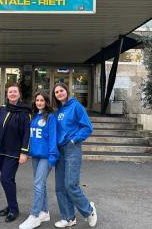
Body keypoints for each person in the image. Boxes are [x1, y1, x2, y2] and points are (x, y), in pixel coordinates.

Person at [52, 82, 98, 228]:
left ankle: (89, 210)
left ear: (67, 91)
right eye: (56, 92)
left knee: (70, 184)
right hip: (59, 150)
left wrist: (74, 139)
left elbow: (87, 127)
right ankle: (69, 217)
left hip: (72, 148)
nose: (59, 93)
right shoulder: (57, 110)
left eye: (61, 90)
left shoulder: (76, 106)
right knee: (60, 186)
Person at [19, 92, 59, 229]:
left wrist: (53, 156)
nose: (39, 102)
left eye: (42, 100)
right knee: (41, 184)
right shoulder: (33, 117)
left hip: (46, 156)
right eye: (37, 100)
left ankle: (34, 215)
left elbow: (53, 137)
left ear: (46, 102)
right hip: (35, 155)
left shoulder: (51, 117)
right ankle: (44, 211)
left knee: (38, 184)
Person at [0, 83, 31, 223]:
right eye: (10, 92)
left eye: (15, 91)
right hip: (1, 151)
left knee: (5, 179)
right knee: (8, 180)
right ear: (7, 94)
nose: (12, 94)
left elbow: (27, 133)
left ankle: (14, 210)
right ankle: (10, 205)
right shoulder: (2, 110)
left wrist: (24, 152)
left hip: (14, 152)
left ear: (19, 94)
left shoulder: (24, 112)